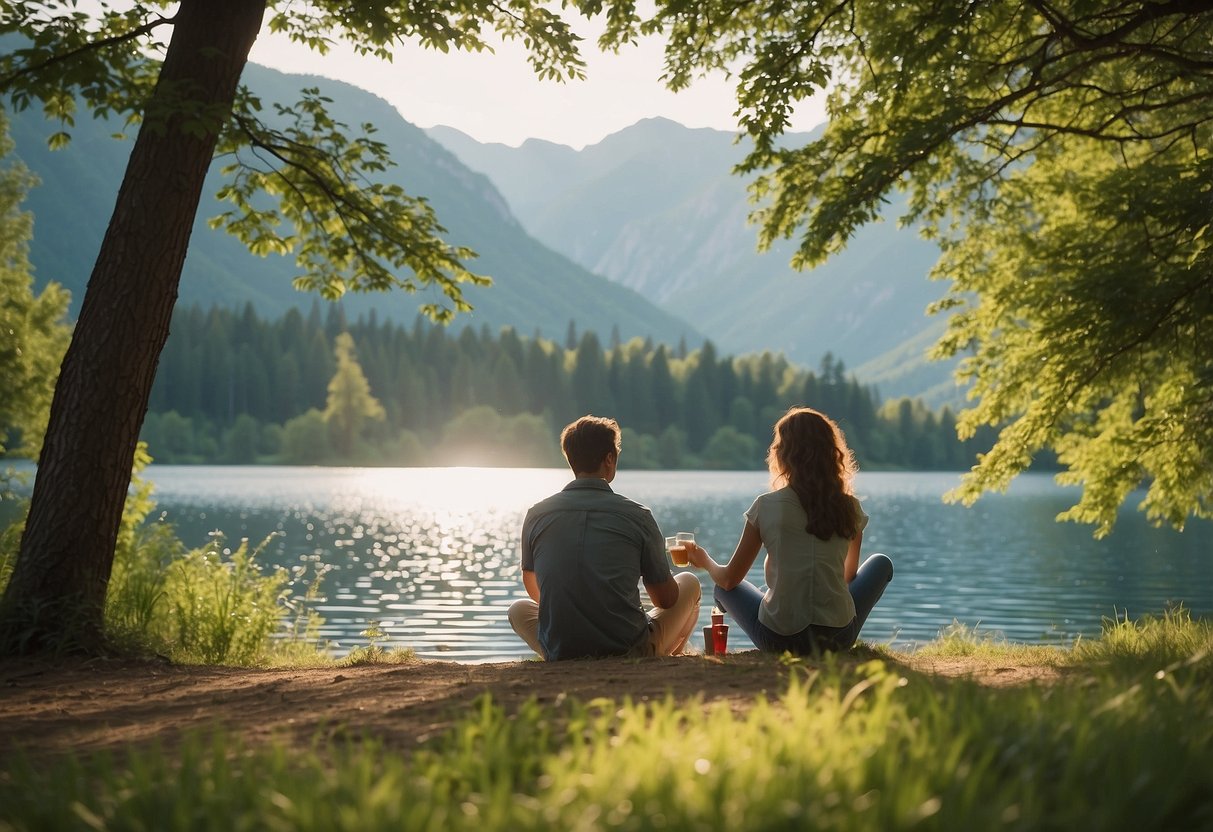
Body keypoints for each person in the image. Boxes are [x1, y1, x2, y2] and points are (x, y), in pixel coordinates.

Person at [685, 406, 893, 654]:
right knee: (880, 563)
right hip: (838, 638)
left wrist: (704, 560)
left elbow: (730, 579)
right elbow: (847, 578)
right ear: (831, 453)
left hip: (780, 641)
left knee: (722, 589)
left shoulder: (766, 506)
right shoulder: (850, 508)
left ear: (784, 454)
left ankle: (722, 640)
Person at [508, 415, 701, 660]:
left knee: (517, 609)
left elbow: (534, 587)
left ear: (571, 459)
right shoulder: (638, 515)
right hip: (626, 647)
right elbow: (665, 599)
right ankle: (663, 658)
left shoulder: (536, 514)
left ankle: (565, 648)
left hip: (561, 647)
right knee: (690, 583)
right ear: (609, 459)